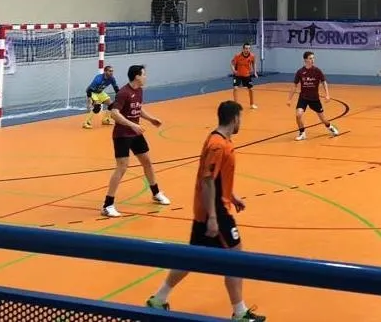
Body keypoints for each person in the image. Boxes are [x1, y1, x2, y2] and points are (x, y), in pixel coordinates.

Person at [145, 101, 266, 322]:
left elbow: (217, 178)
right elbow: (208, 180)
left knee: (192, 258)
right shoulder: (218, 145)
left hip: (213, 207)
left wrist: (232, 195)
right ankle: (239, 313)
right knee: (236, 257)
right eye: (240, 118)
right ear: (234, 119)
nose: (241, 122)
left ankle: (158, 299)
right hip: (216, 212)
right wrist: (212, 216)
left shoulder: (219, 140)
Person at [101, 65, 170, 217]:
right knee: (122, 167)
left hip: (135, 133)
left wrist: (151, 119)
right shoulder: (123, 93)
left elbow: (138, 108)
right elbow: (114, 114)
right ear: (137, 76)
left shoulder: (139, 90)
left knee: (147, 162)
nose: (146, 77)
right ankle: (107, 205)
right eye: (144, 74)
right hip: (122, 135)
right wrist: (133, 125)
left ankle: (156, 193)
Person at [287, 51, 339, 141]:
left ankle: (330, 126)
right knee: (298, 115)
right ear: (305, 60)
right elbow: (294, 85)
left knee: (323, 119)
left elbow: (324, 82)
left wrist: (327, 94)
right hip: (303, 98)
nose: (313, 60)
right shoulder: (300, 72)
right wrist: (289, 99)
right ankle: (302, 133)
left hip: (314, 98)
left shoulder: (317, 71)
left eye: (313, 58)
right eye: (311, 58)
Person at [231, 43, 257, 109]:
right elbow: (232, 63)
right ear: (243, 49)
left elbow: (254, 64)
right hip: (237, 75)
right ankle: (235, 105)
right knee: (235, 88)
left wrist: (255, 72)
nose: (247, 50)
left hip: (247, 75)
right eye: (246, 48)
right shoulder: (237, 56)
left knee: (251, 89)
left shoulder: (252, 56)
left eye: (248, 48)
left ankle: (252, 104)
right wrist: (233, 70)